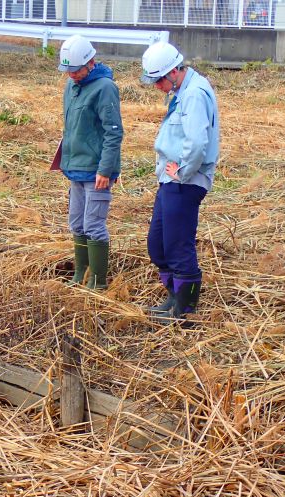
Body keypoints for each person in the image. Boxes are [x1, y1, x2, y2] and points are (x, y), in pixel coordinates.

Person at [139, 41, 220, 323]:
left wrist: (182, 171)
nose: (157, 87)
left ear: (174, 71)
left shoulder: (194, 94)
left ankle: (184, 309)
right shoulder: (182, 91)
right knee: (158, 244)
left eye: (159, 80)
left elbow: (197, 142)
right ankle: (173, 298)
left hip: (186, 182)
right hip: (171, 180)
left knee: (177, 244)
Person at [57, 34, 123, 290]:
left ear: (90, 63)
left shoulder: (105, 88)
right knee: (77, 223)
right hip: (75, 168)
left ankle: (98, 281)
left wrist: (105, 169)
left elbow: (113, 132)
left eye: (76, 70)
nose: (71, 74)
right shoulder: (71, 86)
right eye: (68, 70)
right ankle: (81, 273)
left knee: (93, 224)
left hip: (96, 170)